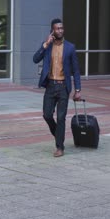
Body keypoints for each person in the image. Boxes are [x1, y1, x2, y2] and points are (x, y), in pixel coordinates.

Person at [33, 18, 81, 157]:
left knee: (61, 118)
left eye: (62, 28)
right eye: (57, 28)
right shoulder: (47, 46)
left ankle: (60, 147)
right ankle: (58, 136)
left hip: (63, 87)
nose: (60, 30)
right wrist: (45, 45)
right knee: (47, 115)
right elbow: (35, 59)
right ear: (52, 30)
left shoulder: (70, 47)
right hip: (50, 86)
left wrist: (77, 90)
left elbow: (76, 70)